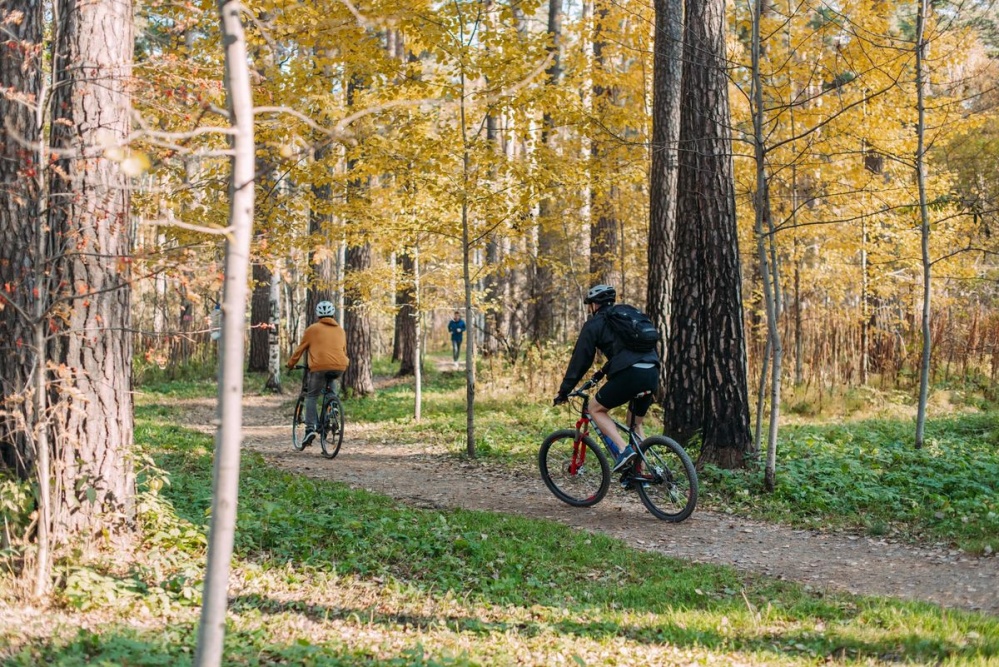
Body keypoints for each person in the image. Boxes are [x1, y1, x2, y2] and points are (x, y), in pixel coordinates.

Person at [553, 284, 659, 472]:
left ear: (594, 304)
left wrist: (564, 390)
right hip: (652, 370)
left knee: (595, 408)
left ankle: (622, 450)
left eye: (590, 305)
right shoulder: (627, 315)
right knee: (634, 424)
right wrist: (600, 374)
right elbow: (627, 352)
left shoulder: (595, 323)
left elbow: (581, 359)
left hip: (630, 374)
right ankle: (642, 471)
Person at [287, 300, 350, 446]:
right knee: (330, 386)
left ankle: (310, 429)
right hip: (340, 366)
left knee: (312, 396)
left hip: (319, 368)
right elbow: (343, 351)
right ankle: (332, 408)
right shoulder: (340, 330)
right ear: (333, 314)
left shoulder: (312, 329)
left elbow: (300, 349)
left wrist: (290, 364)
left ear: (317, 315)